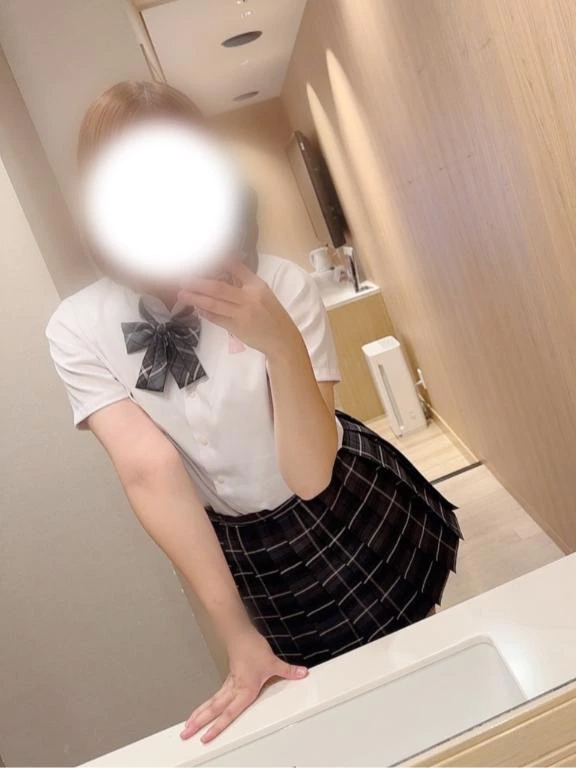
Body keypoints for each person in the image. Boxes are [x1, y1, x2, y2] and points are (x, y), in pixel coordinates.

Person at [46, 80, 462, 743]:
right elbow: (150, 472)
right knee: (330, 715)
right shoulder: (79, 327)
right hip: (245, 545)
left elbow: (311, 474)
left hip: (339, 500)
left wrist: (281, 344)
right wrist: (237, 638)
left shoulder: (279, 283)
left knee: (422, 670)